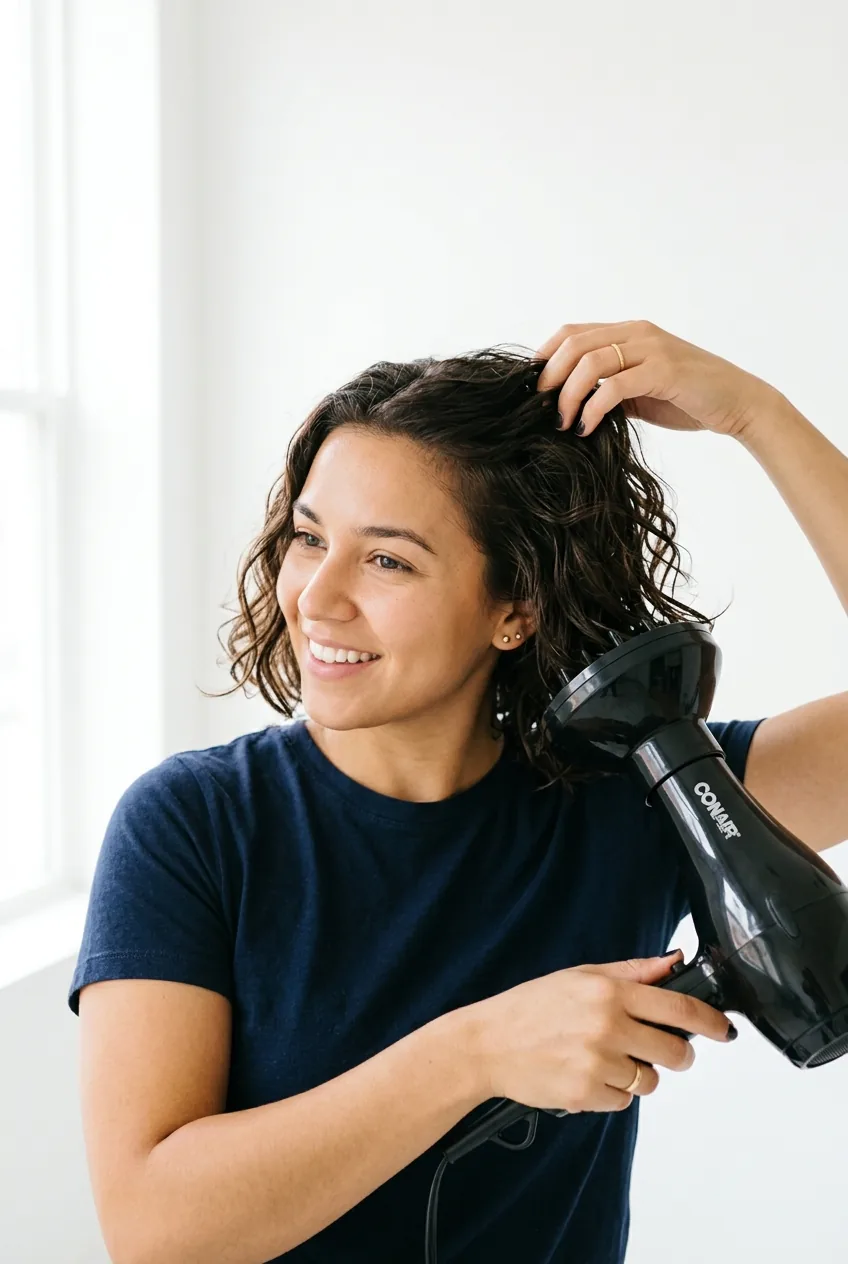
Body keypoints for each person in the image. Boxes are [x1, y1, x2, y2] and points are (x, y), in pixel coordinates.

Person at [68, 331, 761, 1264]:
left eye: (387, 560)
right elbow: (155, 1230)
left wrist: (755, 415)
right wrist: (475, 1052)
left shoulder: (631, 798)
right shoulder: (191, 826)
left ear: (515, 609)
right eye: (309, 538)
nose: (316, 597)